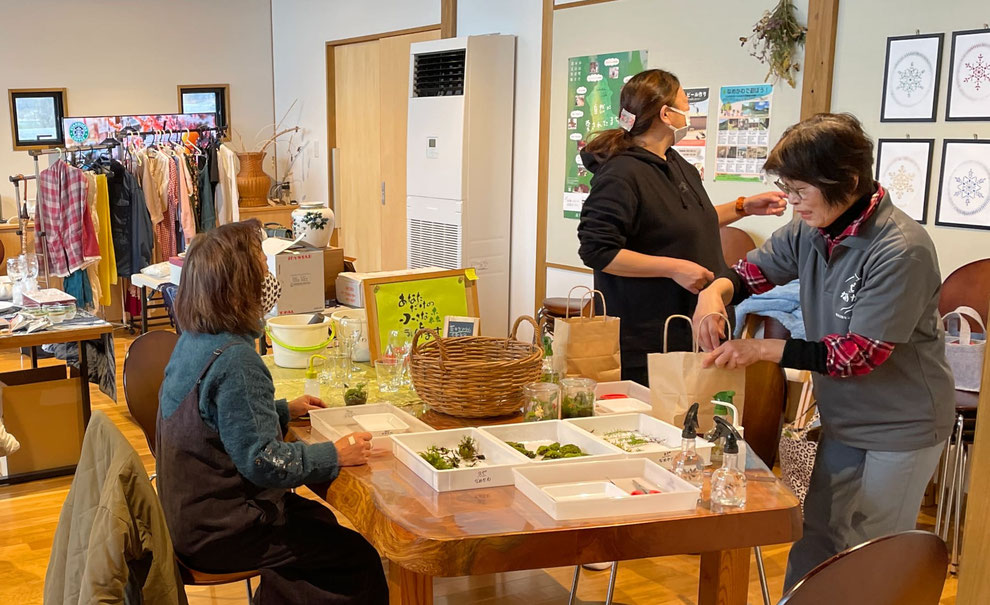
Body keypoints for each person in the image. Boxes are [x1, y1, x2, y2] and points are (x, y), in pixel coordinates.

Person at [692, 113, 953, 590]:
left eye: (800, 190)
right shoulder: (812, 230)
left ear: (848, 181)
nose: (790, 201)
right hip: (844, 419)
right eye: (786, 188)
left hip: (901, 423)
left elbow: (859, 354)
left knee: (872, 550)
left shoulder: (900, 248)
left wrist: (764, 349)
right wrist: (715, 293)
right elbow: (753, 272)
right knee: (817, 537)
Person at [156, 219, 387, 604]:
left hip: (189, 520)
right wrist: (335, 453)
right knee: (357, 560)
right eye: (262, 274)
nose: (269, 282)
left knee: (321, 524)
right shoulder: (237, 362)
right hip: (222, 532)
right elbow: (264, 461)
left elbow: (218, 422)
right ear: (239, 290)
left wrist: (280, 410)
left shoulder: (194, 340)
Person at [577, 68, 787, 385]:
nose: (689, 114)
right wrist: (674, 268)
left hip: (693, 330)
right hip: (649, 340)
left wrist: (743, 207)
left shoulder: (677, 164)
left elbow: (687, 222)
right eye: (686, 105)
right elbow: (597, 250)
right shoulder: (620, 175)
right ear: (666, 114)